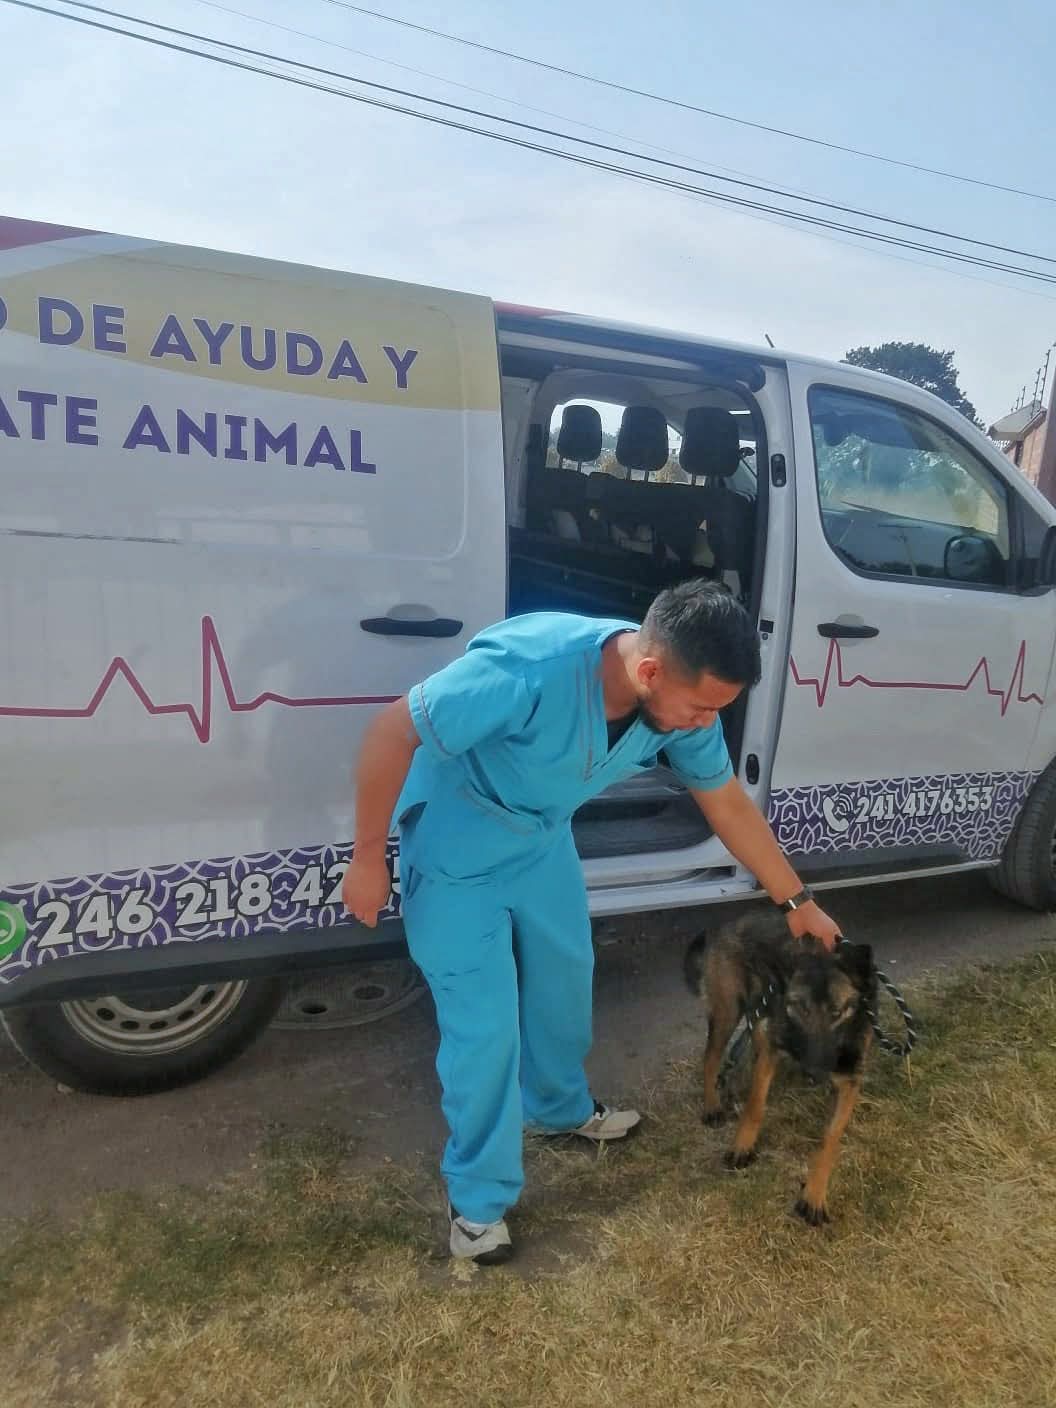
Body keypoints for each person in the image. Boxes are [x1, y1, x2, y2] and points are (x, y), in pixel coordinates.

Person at [342, 581, 841, 1265]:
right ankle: (478, 1204)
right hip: (458, 845)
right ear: (650, 671)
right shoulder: (528, 668)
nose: (707, 724)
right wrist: (368, 857)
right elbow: (392, 730)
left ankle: (556, 1109)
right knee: (484, 1030)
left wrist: (798, 902)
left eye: (718, 710)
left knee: (566, 983)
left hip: (541, 842)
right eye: (701, 708)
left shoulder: (677, 707)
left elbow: (726, 803)